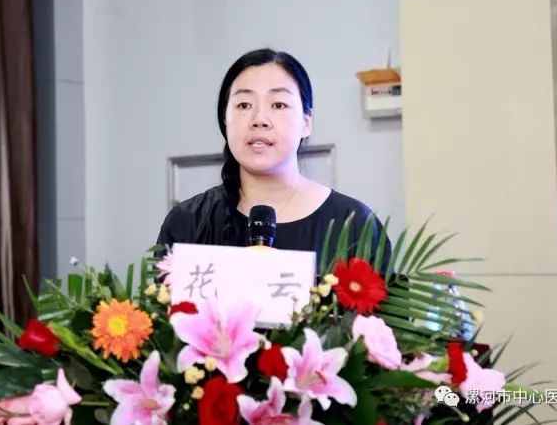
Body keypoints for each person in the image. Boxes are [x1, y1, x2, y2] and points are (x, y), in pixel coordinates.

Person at [155, 48, 391, 275]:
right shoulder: (188, 222)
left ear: (306, 122)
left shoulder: (355, 225)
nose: (259, 119)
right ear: (225, 120)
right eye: (244, 105)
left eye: (278, 105)